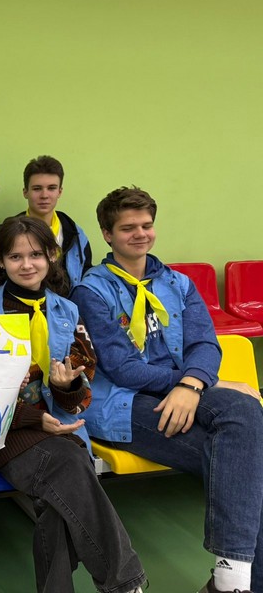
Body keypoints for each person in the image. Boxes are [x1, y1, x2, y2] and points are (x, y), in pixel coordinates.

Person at [70, 187, 263, 593]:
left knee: (245, 412)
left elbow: (205, 344)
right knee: (249, 463)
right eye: (128, 228)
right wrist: (188, 384)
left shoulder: (178, 283)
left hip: (182, 390)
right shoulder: (90, 291)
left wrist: (192, 384)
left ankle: (230, 576)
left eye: (146, 225)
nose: (140, 234)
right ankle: (235, 581)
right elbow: (122, 368)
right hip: (124, 402)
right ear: (107, 234)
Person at [0, 216, 146, 593]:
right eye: (15, 257)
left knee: (58, 501)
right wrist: (34, 418)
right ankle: (125, 583)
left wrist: (67, 387)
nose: (26, 264)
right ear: (0, 261)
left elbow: (80, 396)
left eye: (35, 255)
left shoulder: (66, 311)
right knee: (69, 463)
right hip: (3, 432)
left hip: (60, 429)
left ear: (51, 256)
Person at [16, 155, 92, 287]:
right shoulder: (9, 232)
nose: (44, 195)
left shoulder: (76, 235)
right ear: (25, 192)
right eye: (37, 188)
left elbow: (85, 275)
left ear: (60, 192)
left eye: (51, 188)